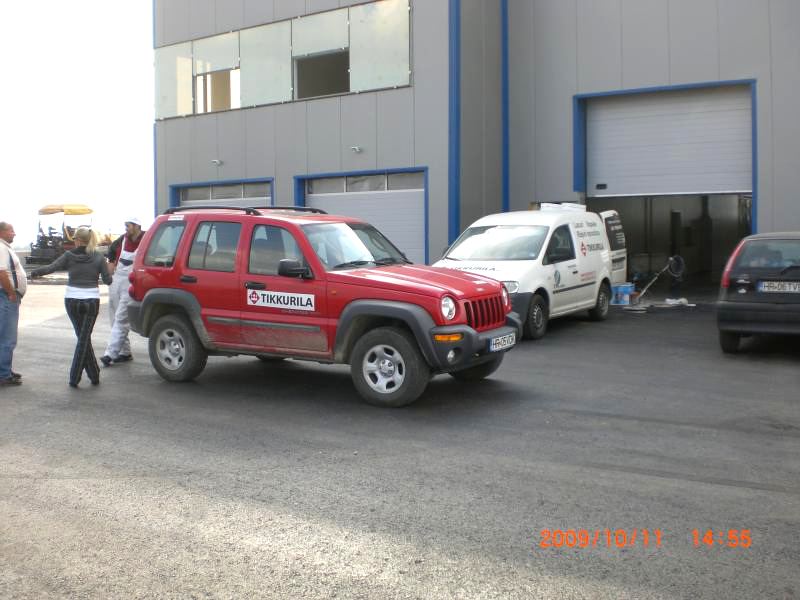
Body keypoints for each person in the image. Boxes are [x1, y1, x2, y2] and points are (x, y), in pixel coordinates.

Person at [30, 228, 112, 388]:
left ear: (78, 240)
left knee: (82, 338)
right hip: (91, 301)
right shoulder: (99, 257)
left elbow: (51, 267)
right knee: (84, 338)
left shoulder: (69, 255)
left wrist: (35, 273)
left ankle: (86, 376)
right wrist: (108, 269)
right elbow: (108, 281)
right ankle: (87, 376)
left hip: (72, 300)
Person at [102, 217, 145, 366]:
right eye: (125, 225)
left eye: (128, 225)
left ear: (137, 226)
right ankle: (125, 352)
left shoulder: (146, 240)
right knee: (114, 318)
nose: (126, 228)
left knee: (121, 318)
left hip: (132, 282)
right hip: (116, 280)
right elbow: (111, 258)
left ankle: (110, 354)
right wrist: (108, 277)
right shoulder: (121, 240)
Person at [0, 222, 26, 386]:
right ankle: (4, 374)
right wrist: (10, 292)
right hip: (6, 296)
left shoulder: (4, 247)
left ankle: (5, 369)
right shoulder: (1, 248)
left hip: (6, 295)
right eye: (11, 231)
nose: (14, 233)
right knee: (8, 337)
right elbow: (1, 272)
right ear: (2, 232)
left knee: (5, 335)